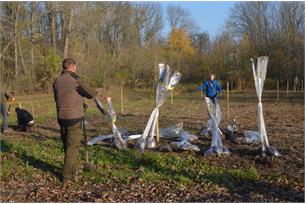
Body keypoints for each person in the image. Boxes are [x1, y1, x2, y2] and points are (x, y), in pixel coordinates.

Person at [53, 58, 97, 185]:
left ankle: (72, 170)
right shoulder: (75, 80)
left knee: (67, 146)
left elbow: (58, 97)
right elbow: (91, 94)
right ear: (72, 67)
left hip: (61, 117)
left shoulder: (56, 81)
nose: (76, 69)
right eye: (75, 67)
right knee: (72, 148)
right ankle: (67, 177)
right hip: (74, 119)